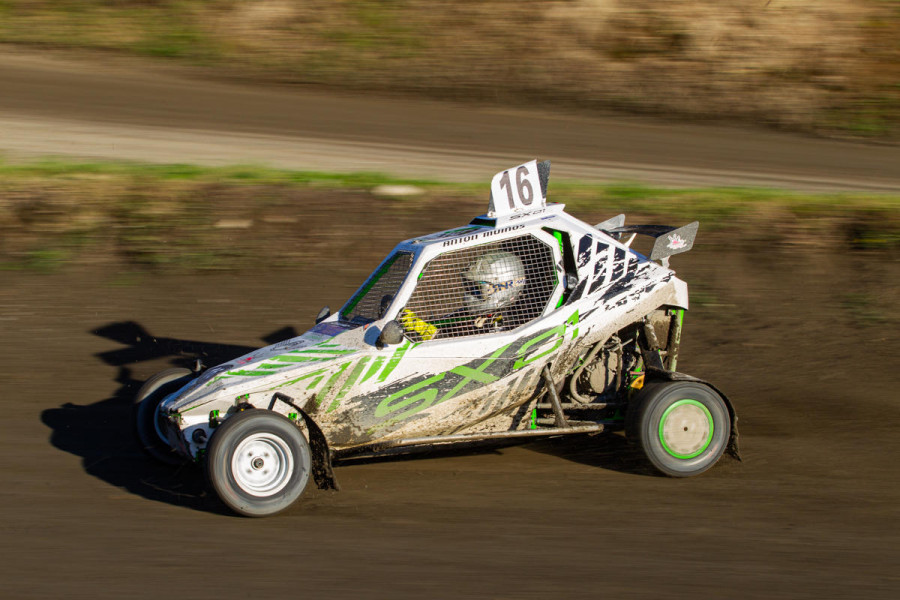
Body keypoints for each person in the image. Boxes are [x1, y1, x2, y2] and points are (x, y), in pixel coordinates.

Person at [401, 251, 526, 341]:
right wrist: (417, 325)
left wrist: (433, 335)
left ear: (502, 288)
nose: (471, 293)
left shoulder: (507, 324)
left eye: (477, 288)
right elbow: (446, 325)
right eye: (470, 287)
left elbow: (474, 352)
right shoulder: (471, 314)